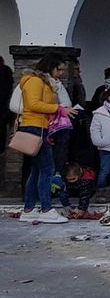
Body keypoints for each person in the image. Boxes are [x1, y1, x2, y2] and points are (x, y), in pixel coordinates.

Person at [17, 54, 74, 223]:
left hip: (40, 127)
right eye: (59, 69)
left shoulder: (45, 83)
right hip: (35, 127)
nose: (61, 73)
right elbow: (33, 104)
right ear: (50, 67)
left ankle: (29, 208)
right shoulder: (35, 81)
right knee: (47, 169)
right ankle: (46, 208)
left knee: (36, 170)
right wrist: (58, 108)